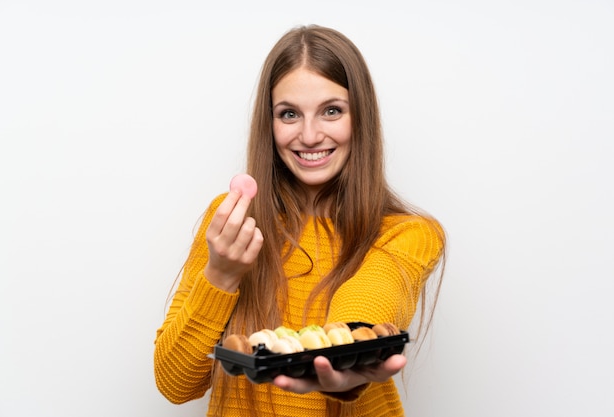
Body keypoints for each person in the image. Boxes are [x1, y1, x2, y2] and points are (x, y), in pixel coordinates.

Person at [154, 25, 445, 417]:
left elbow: (371, 294)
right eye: (289, 114)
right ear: (269, 124)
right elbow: (175, 383)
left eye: (331, 111)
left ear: (360, 118)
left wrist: (346, 358)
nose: (309, 135)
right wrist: (221, 274)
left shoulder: (410, 234)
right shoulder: (232, 222)